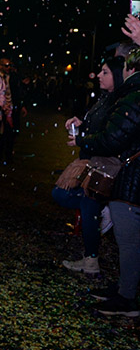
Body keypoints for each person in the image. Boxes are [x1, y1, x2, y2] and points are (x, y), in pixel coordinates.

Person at [70, 47, 140, 317]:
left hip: (130, 178)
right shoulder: (126, 95)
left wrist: (82, 140)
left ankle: (127, 298)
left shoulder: (132, 96)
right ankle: (126, 289)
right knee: (127, 239)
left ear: (129, 70)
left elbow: (113, 138)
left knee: (129, 240)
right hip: (127, 175)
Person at [55, 57, 124, 274]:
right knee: (71, 199)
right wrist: (81, 125)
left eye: (105, 72)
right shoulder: (106, 98)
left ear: (117, 75)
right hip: (92, 160)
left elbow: (109, 137)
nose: (99, 76)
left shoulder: (119, 101)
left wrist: (82, 139)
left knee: (85, 204)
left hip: (103, 165)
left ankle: (92, 258)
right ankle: (91, 256)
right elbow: (98, 128)